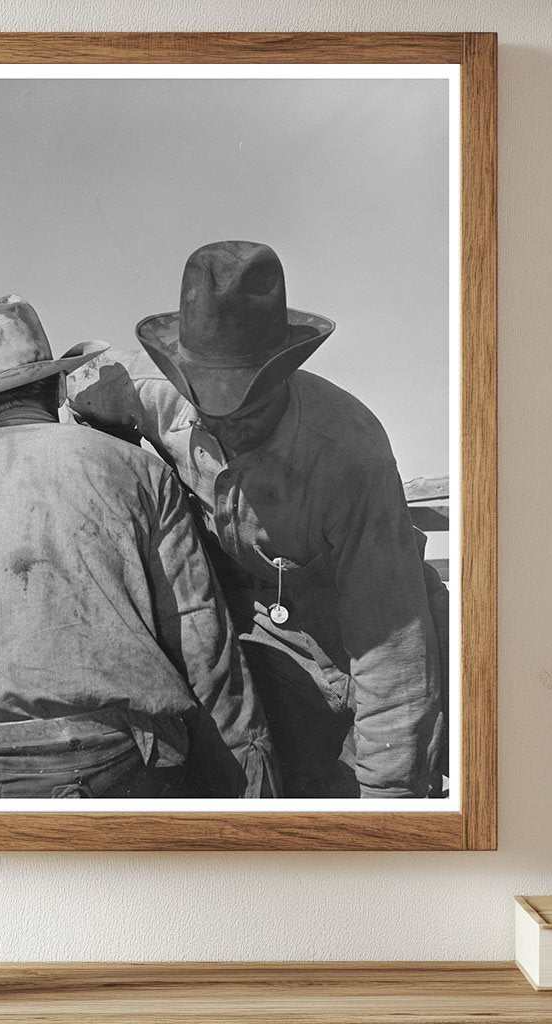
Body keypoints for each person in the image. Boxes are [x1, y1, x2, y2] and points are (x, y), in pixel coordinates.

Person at [68, 242, 445, 799]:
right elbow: (69, 391)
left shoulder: (350, 457)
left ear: (284, 373)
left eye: (248, 406)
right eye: (207, 400)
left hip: (354, 655)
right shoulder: (144, 393)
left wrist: (384, 811)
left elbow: (393, 662)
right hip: (251, 641)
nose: (227, 424)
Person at [0, 294, 279, 800]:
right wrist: (250, 771)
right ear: (59, 386)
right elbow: (200, 637)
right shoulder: (136, 468)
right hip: (105, 764)